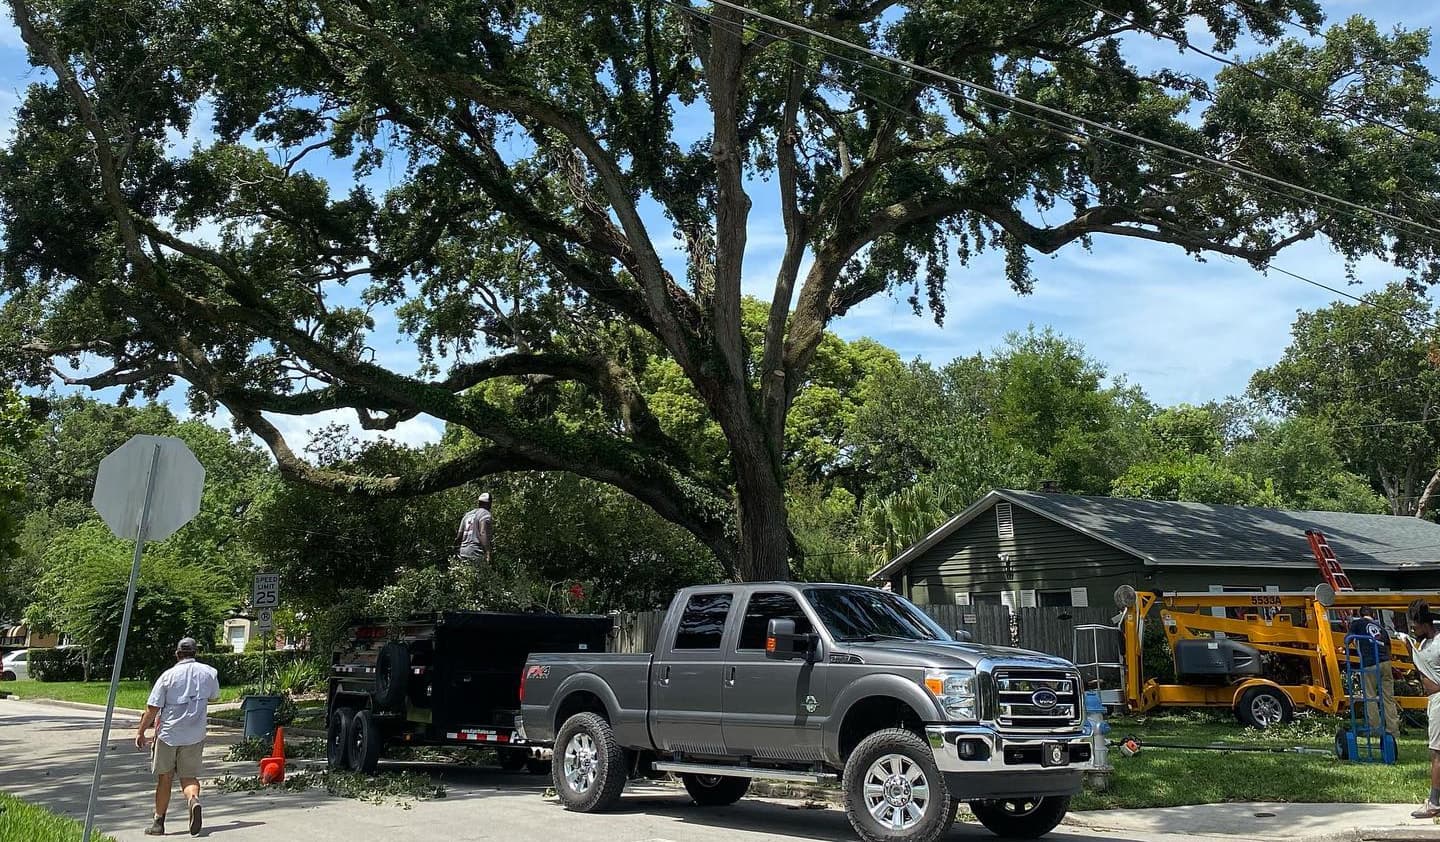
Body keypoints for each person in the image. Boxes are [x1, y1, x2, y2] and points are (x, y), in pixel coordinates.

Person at [135, 637, 221, 837]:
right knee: (189, 777)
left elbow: (152, 708)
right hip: (195, 734)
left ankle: (158, 823)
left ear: (177, 654)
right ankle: (193, 800)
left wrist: (140, 731)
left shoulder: (168, 676)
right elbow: (215, 696)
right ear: (195, 652)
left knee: (165, 778)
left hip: (168, 734)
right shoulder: (209, 672)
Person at [1402, 600, 1440, 819]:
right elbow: (1421, 670)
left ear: (1425, 624)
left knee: (1436, 753)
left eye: (1415, 627)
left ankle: (1434, 802)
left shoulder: (1437, 642)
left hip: (1439, 700)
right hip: (1433, 701)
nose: (1413, 631)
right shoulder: (1424, 645)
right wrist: (1409, 647)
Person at [1349, 607, 1400, 738]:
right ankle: (1393, 730)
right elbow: (1389, 647)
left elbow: (1348, 639)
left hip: (1370, 663)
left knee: (1370, 696)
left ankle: (1375, 729)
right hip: (1385, 662)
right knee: (1388, 698)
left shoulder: (1358, 623)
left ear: (1360, 614)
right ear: (1372, 615)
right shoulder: (1381, 628)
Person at [457, 492, 494, 564]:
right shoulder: (485, 514)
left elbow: (459, 536)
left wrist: (456, 549)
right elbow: (483, 532)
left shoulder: (467, 515)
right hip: (475, 551)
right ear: (489, 503)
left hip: (463, 552)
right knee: (480, 573)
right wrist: (488, 552)